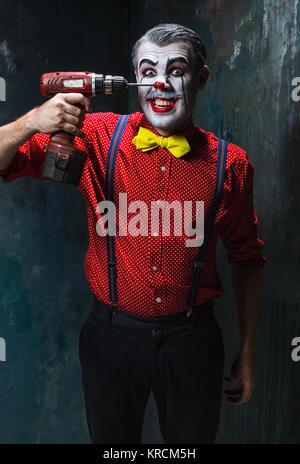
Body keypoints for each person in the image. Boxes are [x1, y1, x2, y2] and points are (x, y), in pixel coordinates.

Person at [0, 23, 265, 444]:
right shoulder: (96, 135)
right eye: (149, 69)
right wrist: (34, 120)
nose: (160, 82)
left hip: (193, 344)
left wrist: (248, 352)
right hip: (110, 339)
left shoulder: (229, 165)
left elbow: (247, 257)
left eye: (176, 70)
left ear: (200, 78)